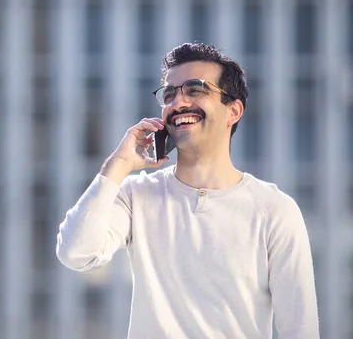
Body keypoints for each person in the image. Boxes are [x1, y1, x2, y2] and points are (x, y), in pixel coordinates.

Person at [56, 43, 319, 338]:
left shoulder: (274, 210)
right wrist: (118, 164)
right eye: (169, 94)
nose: (178, 103)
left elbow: (300, 329)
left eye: (195, 90)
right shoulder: (137, 195)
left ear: (233, 110)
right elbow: (75, 252)